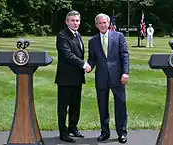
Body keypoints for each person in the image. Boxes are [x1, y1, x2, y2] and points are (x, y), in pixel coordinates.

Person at [87, 13, 129, 144]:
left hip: (118, 77)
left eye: (104, 22)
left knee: (120, 105)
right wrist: (88, 66)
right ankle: (105, 133)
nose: (102, 25)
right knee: (102, 106)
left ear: (109, 23)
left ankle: (121, 133)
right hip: (101, 78)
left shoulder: (119, 36)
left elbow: (125, 55)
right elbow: (92, 59)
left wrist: (125, 73)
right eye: (100, 23)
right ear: (96, 25)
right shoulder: (92, 41)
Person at [55, 10, 91, 143]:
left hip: (77, 78)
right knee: (63, 108)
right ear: (67, 21)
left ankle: (73, 128)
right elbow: (67, 55)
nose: (76, 23)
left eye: (77, 21)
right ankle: (63, 133)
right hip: (65, 78)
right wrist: (84, 64)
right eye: (73, 20)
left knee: (76, 106)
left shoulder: (77, 35)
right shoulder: (62, 36)